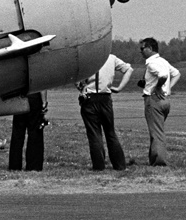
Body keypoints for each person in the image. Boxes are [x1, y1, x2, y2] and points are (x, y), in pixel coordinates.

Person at [77, 54, 133, 170]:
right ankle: (119, 165)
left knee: (94, 133)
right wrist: (119, 88)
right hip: (106, 98)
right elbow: (129, 69)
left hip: (89, 98)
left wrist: (80, 87)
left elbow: (76, 78)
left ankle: (98, 166)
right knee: (110, 132)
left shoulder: (86, 58)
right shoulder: (111, 58)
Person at [139, 38, 180, 166]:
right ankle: (153, 159)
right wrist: (168, 88)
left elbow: (163, 75)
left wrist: (158, 87)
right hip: (165, 100)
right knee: (156, 130)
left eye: (142, 48)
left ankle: (159, 162)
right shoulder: (163, 61)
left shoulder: (152, 63)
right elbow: (177, 74)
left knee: (156, 132)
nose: (141, 51)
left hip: (154, 100)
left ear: (150, 48)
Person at [8, 92, 47, 171]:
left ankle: (14, 164)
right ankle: (33, 165)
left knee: (17, 133)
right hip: (34, 97)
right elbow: (41, 85)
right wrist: (44, 101)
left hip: (19, 98)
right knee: (35, 132)